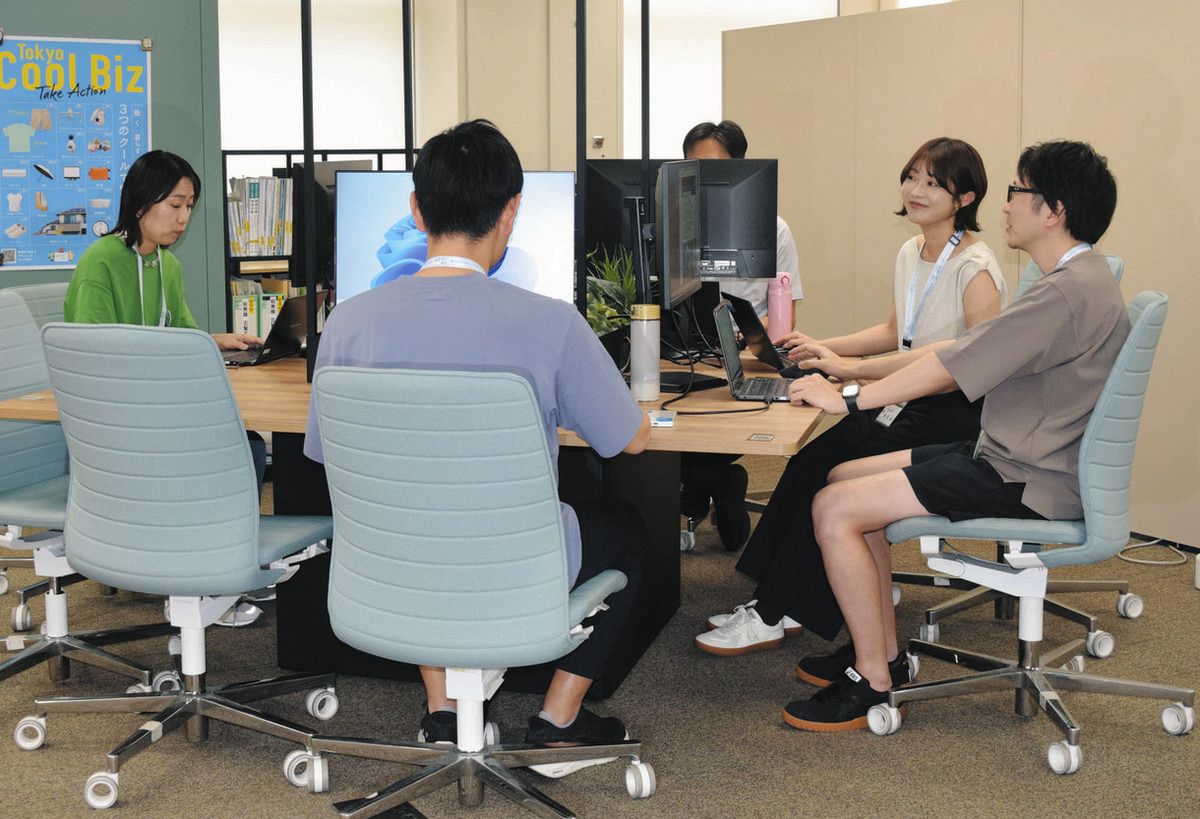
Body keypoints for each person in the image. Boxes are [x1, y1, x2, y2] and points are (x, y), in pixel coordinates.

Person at [303, 119, 652, 773]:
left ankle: (443, 713)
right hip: (512, 568)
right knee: (626, 531)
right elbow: (628, 440)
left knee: (418, 513)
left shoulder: (346, 322)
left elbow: (328, 455)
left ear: (416, 209)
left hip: (391, 569)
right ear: (511, 211)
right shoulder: (551, 322)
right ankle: (558, 725)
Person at [780, 140, 1125, 731]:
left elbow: (951, 366)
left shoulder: (1062, 293)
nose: (1006, 205)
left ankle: (874, 678)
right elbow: (961, 354)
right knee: (842, 476)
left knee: (835, 507)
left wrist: (848, 395)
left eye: (1018, 192)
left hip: (1026, 477)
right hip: (1016, 454)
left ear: (1054, 211)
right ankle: (884, 652)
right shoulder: (1077, 279)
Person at [696, 137, 1005, 657]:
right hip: (901, 398)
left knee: (823, 469)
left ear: (966, 198)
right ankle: (780, 601)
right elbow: (896, 332)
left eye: (933, 183)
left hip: (950, 413)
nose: (916, 190)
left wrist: (849, 371)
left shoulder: (975, 267)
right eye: (911, 177)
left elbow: (961, 364)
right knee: (807, 462)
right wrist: (823, 347)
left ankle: (775, 610)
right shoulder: (912, 251)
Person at [63, 148, 268, 627]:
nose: (184, 217)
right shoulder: (100, 262)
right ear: (141, 203)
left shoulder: (166, 266)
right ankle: (206, 573)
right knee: (239, 449)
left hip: (158, 412)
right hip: (118, 426)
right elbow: (94, 359)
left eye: (189, 206)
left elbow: (178, 334)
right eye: (175, 204)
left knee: (247, 445)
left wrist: (213, 341)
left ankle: (215, 568)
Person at [678, 120, 803, 550]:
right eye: (693, 168)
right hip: (679, 356)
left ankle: (705, 484)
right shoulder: (672, 225)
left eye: (715, 168)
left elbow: (783, 322)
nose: (703, 180)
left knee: (702, 429)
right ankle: (717, 481)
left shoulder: (772, 227)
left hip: (739, 361)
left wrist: (740, 341)